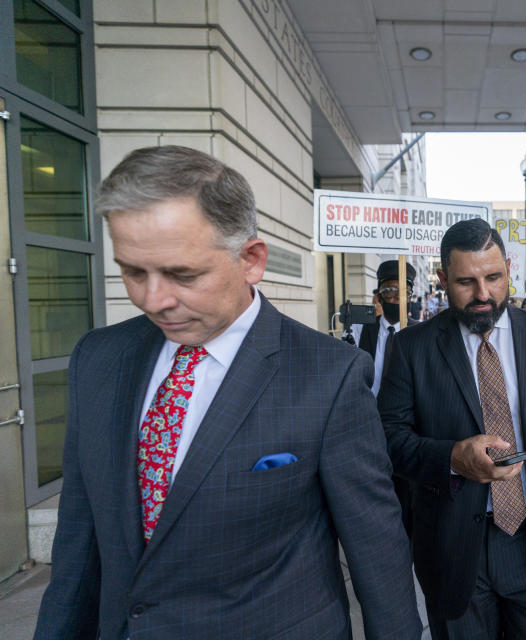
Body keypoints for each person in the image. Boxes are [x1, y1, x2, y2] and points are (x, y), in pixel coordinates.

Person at [33, 146, 421, 640]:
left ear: (251, 259)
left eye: (182, 274)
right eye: (133, 272)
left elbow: (376, 548)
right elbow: (79, 544)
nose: (154, 300)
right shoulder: (98, 360)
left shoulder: (329, 376)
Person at [378, 218, 526, 639]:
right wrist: (452, 458)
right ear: (441, 279)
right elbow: (386, 439)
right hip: (454, 550)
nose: (483, 294)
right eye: (466, 282)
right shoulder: (410, 348)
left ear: (509, 268)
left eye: (493, 277)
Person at [352, 259, 417, 395]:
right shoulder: (360, 329)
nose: (398, 297)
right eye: (391, 291)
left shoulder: (420, 332)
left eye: (405, 292)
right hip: (369, 408)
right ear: (379, 296)